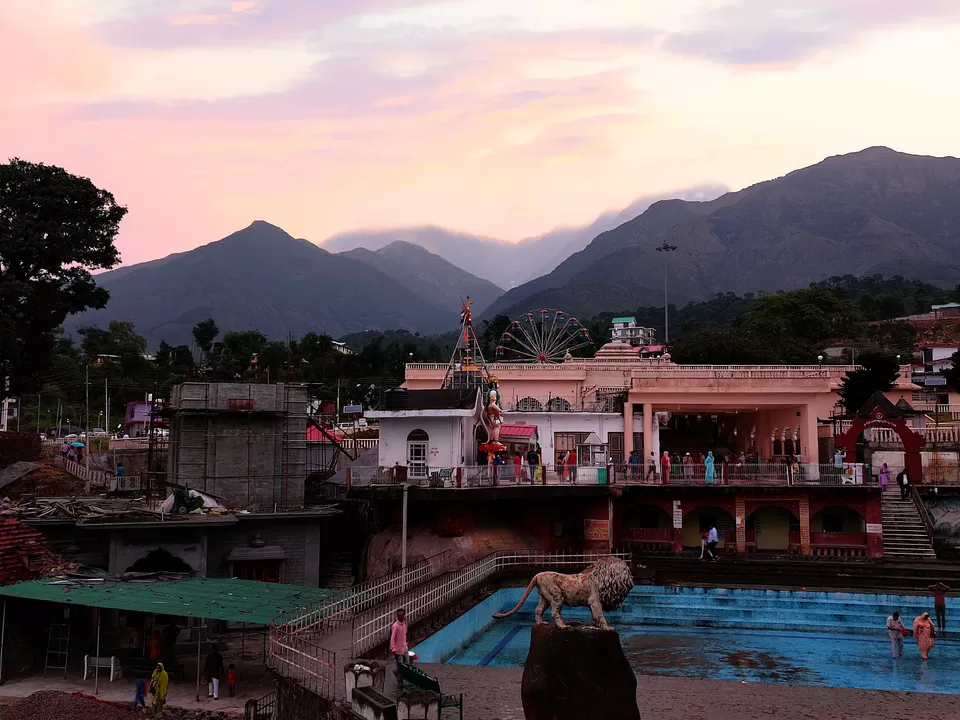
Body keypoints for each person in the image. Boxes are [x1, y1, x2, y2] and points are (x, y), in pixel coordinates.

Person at [390, 608, 409, 674]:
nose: (400, 617)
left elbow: (404, 634)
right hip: (398, 650)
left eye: (401, 615)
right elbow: (392, 637)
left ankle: (403, 678)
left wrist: (406, 642)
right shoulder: (395, 626)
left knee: (407, 665)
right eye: (399, 615)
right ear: (397, 616)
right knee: (400, 666)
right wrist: (393, 648)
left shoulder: (404, 624)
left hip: (405, 648)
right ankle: (399, 680)